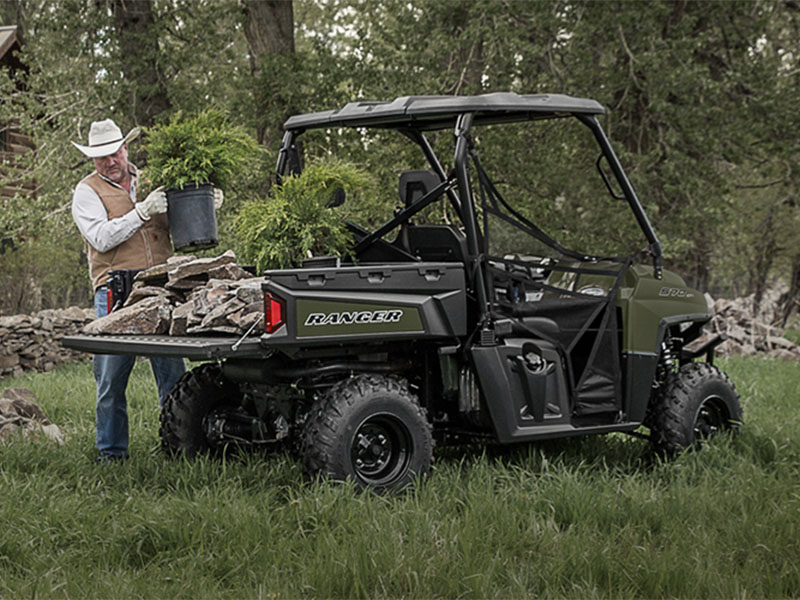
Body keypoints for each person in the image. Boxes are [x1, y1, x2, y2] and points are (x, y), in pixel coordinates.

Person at [70, 118, 189, 463]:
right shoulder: (87, 191)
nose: (110, 161)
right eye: (101, 156)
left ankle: (178, 446)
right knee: (110, 377)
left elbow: (178, 227)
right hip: (115, 288)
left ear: (125, 149)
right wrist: (140, 212)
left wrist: (204, 204)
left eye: (114, 153)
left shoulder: (152, 182)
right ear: (93, 159)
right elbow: (101, 238)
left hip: (161, 284)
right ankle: (112, 454)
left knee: (172, 372)